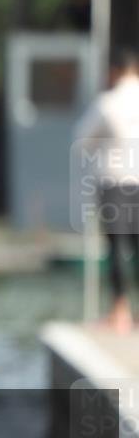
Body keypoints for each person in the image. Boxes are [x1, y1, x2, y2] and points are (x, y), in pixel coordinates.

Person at [75, 48, 139, 333]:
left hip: (113, 182)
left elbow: (82, 139)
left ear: (114, 71)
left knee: (117, 249)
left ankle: (120, 313)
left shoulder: (108, 103)